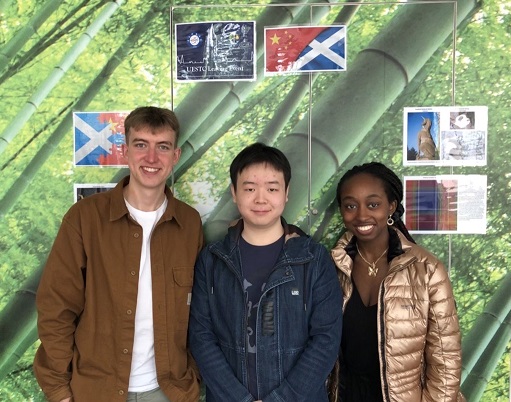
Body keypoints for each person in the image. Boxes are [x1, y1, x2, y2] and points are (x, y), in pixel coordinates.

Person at [33, 106, 204, 402]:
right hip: (96, 390)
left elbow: (203, 311)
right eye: (141, 145)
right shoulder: (85, 218)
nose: (151, 158)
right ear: (125, 151)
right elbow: (56, 308)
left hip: (168, 391)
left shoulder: (189, 223)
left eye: (162, 147)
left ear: (175, 156)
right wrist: (59, 390)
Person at [189, 142, 343, 402]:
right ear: (234, 193)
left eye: (272, 188)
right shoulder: (212, 260)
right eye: (249, 188)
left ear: (286, 193)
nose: (260, 198)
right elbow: (201, 337)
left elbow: (326, 340)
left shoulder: (313, 259)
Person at [328, 162, 464, 402]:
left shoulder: (426, 269)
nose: (361, 215)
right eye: (350, 205)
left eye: (373, 204)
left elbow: (446, 359)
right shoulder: (331, 267)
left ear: (391, 206)